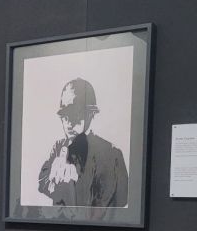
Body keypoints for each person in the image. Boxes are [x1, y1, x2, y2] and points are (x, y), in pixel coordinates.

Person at [38, 78, 129, 208]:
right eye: (65, 116)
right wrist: (55, 180)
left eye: (76, 114)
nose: (69, 123)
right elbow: (42, 182)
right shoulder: (59, 147)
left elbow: (122, 199)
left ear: (90, 115)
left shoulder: (112, 153)